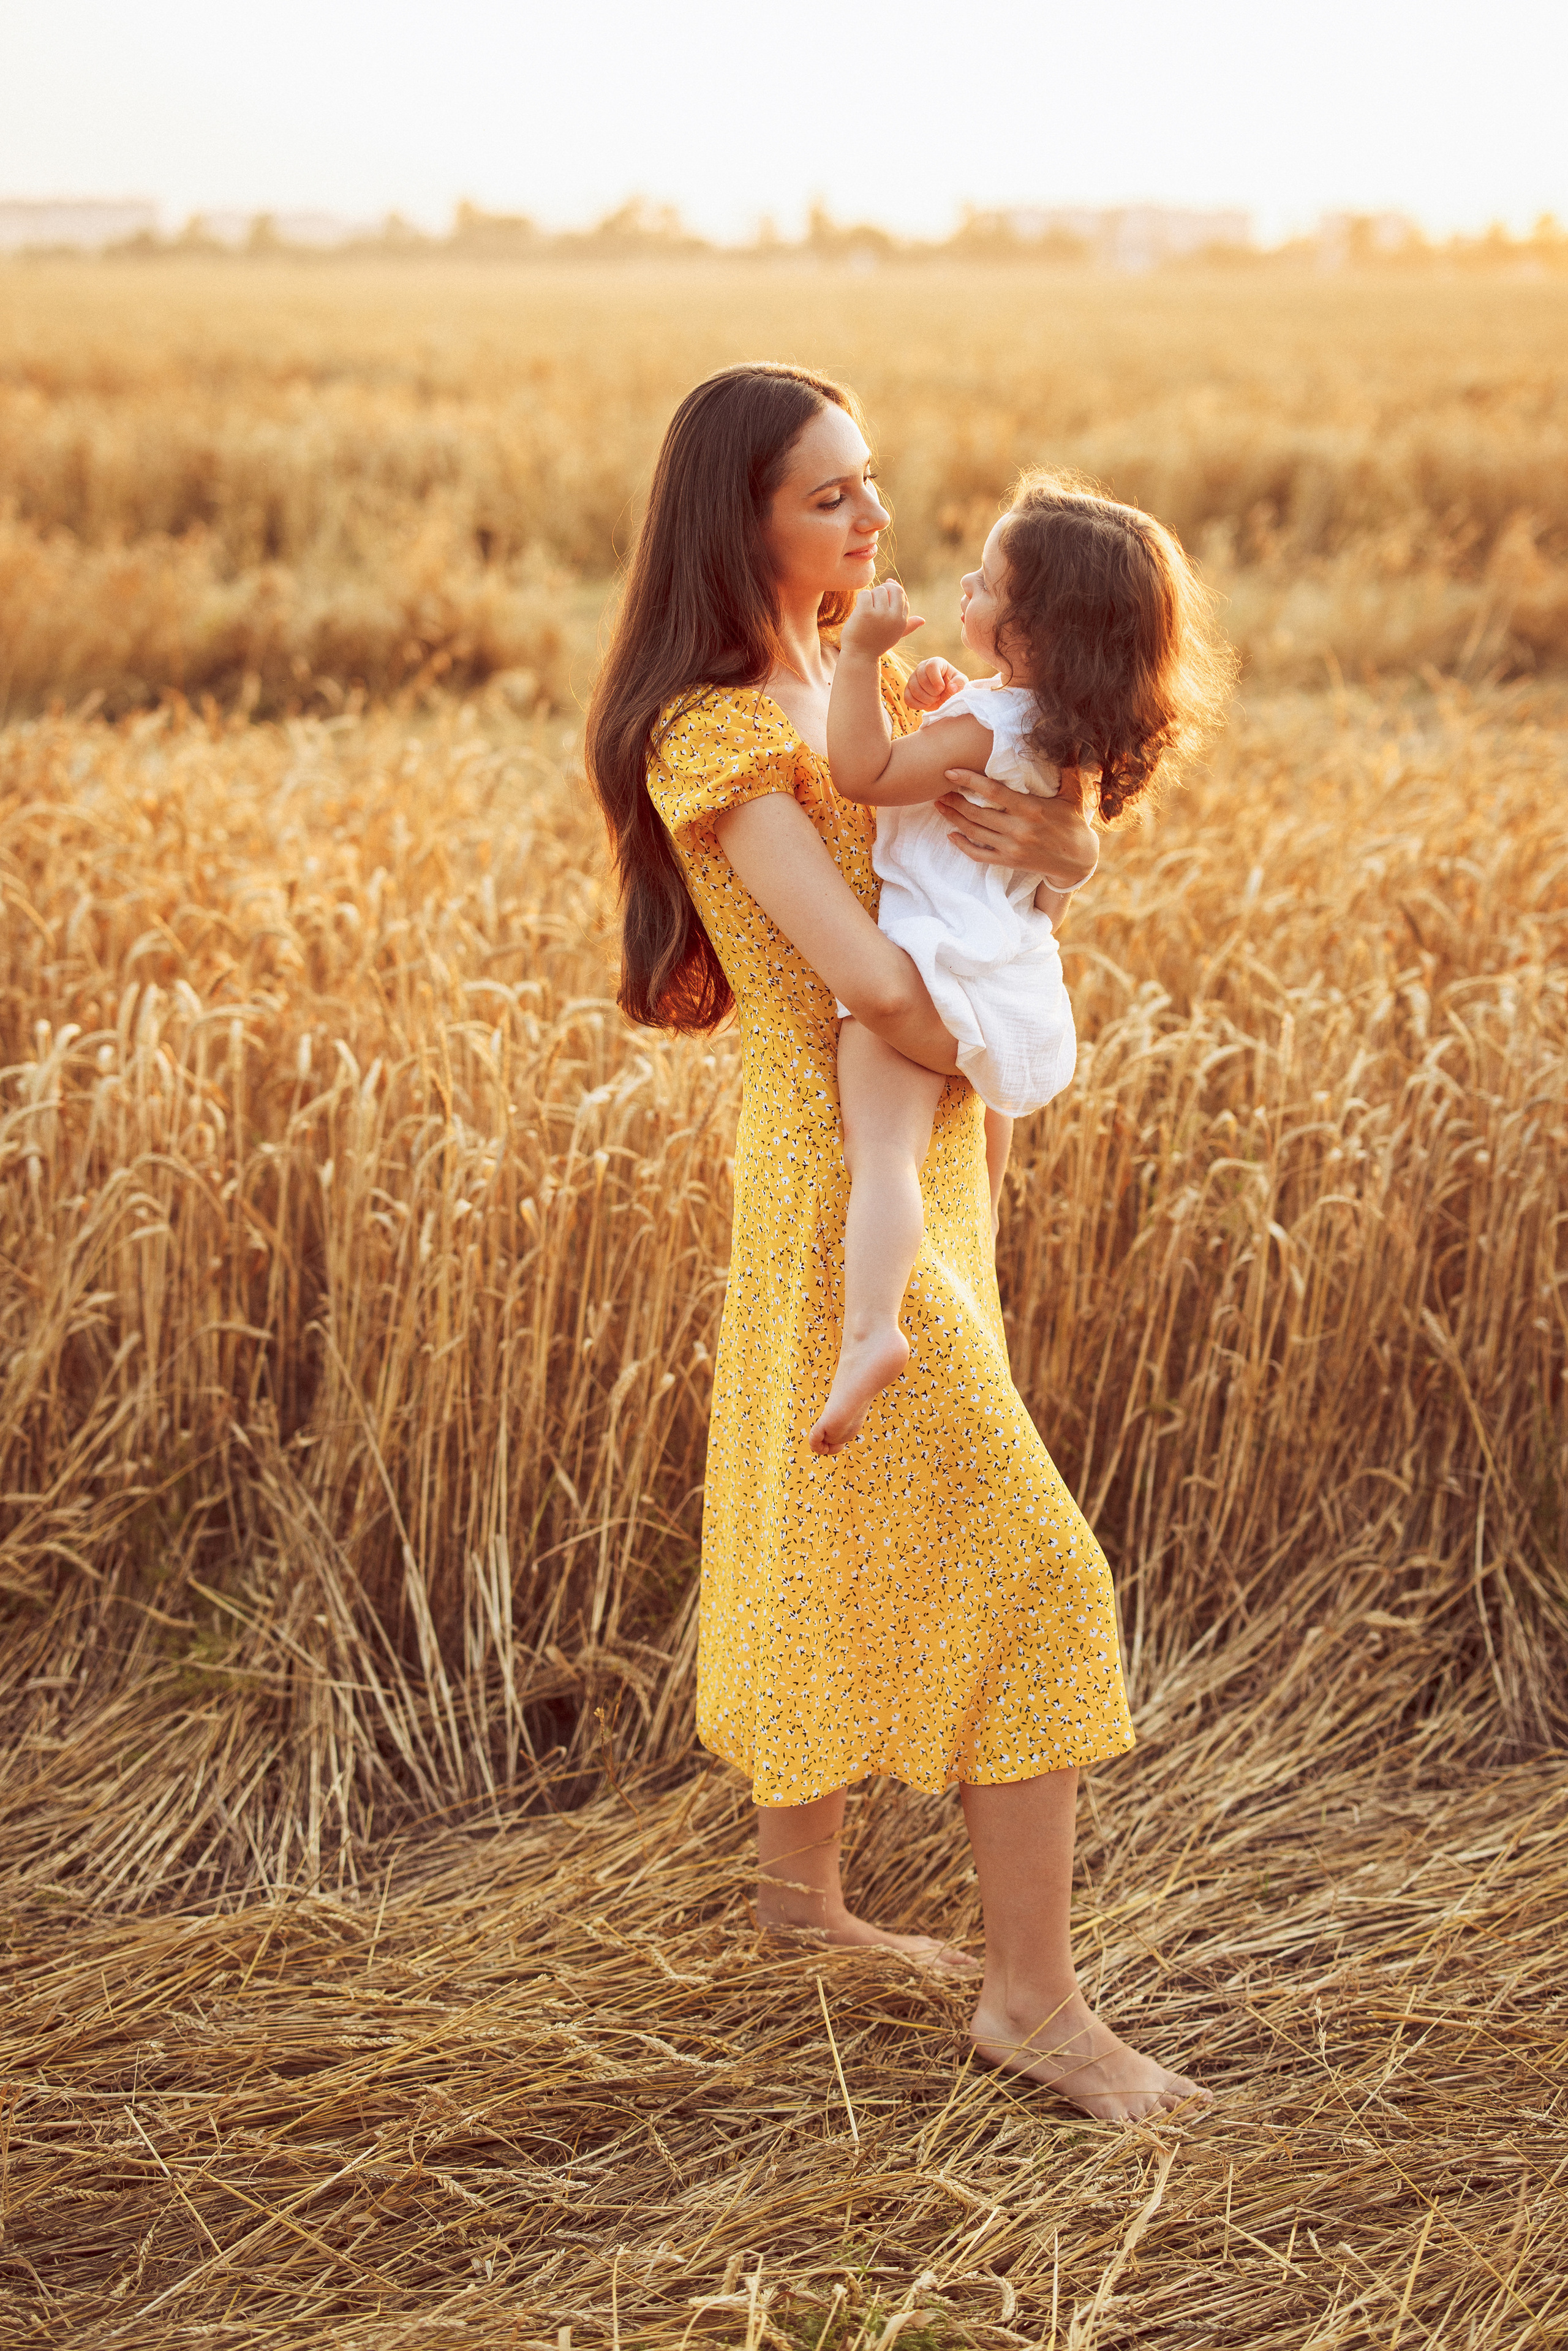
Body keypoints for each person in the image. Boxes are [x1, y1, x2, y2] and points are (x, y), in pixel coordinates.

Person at [586, 362, 1207, 2119]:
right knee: (1035, 1562)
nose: (873, 521)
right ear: (742, 524)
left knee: (833, 1511)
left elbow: (1023, 808)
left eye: (871, 485)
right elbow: (865, 979)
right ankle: (1036, 2003)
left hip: (933, 1157)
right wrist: (1014, 1043)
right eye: (829, 499)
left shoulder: (870, 677)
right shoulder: (715, 729)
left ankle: (804, 1905)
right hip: (835, 1148)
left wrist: (1070, 852)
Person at [810, 479, 1232, 1455]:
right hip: (1014, 983)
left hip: (930, 968)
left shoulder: (986, 730)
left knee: (886, 1153)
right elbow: (1036, 865)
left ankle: (872, 1327)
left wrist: (863, 657)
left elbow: (864, 776)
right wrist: (951, 698)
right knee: (976, 1169)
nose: (966, 585)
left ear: (1037, 634)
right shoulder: (1062, 743)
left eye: (988, 583)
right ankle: (978, 1260)